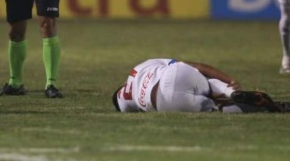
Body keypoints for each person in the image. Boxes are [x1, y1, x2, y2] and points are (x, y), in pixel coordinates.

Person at [112, 58, 289, 113]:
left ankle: (268, 108)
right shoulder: (138, 68)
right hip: (174, 74)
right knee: (209, 85)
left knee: (218, 110)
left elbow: (120, 102)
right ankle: (230, 91)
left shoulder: (124, 103)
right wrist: (230, 80)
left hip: (163, 102)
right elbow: (194, 66)